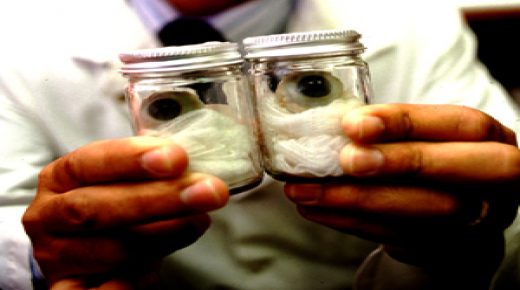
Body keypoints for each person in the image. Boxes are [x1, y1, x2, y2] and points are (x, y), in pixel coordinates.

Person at [1, 0, 520, 289]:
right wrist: (47, 259)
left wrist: (458, 238)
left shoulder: (408, 18)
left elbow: (507, 219)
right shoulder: (16, 36)